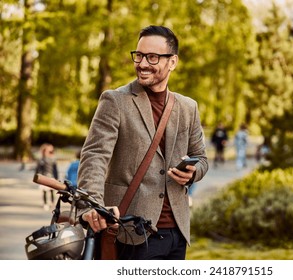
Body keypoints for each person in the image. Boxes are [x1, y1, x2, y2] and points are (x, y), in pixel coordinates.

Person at [77, 25, 208, 260]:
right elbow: (94, 156)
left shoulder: (188, 107)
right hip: (129, 231)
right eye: (139, 55)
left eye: (153, 57)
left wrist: (192, 172)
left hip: (177, 232)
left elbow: (202, 158)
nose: (142, 63)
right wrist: (93, 206)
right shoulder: (115, 100)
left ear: (173, 62)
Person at [35, 143, 58, 211]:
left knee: (51, 190)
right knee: (44, 191)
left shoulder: (53, 159)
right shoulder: (41, 160)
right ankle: (45, 203)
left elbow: (55, 170)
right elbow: (38, 169)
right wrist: (37, 177)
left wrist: (56, 178)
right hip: (44, 177)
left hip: (51, 177)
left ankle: (52, 202)